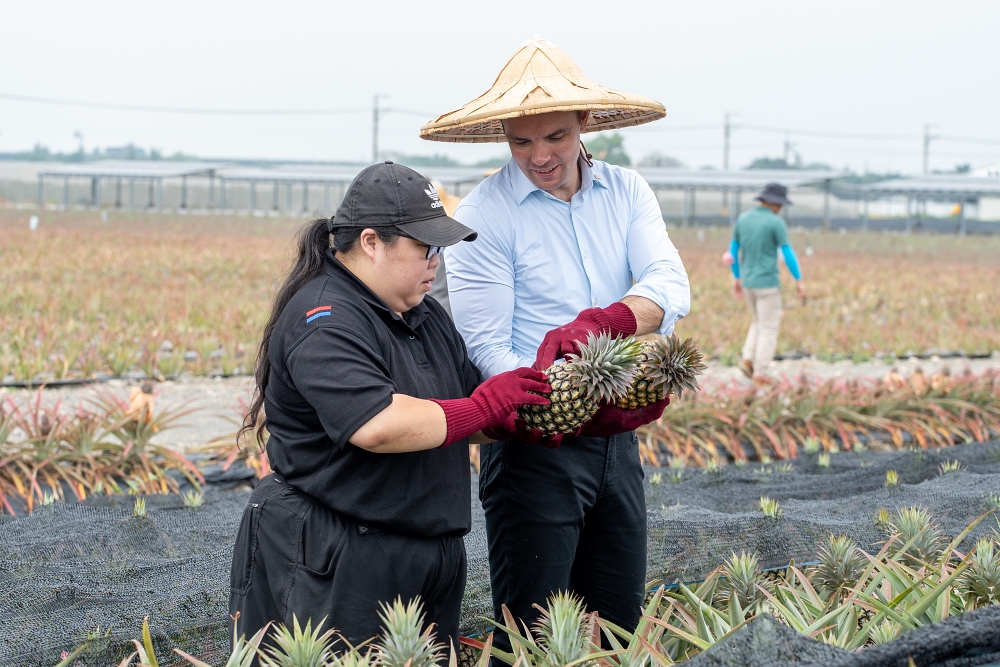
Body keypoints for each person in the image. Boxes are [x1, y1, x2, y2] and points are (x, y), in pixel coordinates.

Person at [418, 36, 691, 654]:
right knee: (535, 631)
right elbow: (486, 342)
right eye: (522, 141)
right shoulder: (487, 212)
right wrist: (549, 399)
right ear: (505, 138)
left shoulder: (626, 192)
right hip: (532, 444)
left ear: (584, 125)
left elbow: (670, 284)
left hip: (617, 438)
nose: (539, 156)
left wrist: (610, 322)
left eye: (555, 138)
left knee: (618, 618)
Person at [230, 162, 553, 653]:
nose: (436, 262)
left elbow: (465, 413)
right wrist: (486, 408)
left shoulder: (422, 314)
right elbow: (377, 424)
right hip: (339, 555)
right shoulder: (325, 318)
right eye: (424, 247)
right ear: (371, 242)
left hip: (425, 553)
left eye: (440, 249)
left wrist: (531, 415)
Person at [730, 182, 806, 380]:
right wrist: (799, 280)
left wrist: (736, 276)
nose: (780, 209)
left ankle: (748, 359)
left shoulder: (742, 219)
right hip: (767, 283)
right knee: (769, 326)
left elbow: (733, 252)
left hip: (747, 282)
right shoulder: (775, 222)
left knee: (758, 321)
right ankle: (762, 371)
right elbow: (787, 252)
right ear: (774, 203)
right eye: (780, 205)